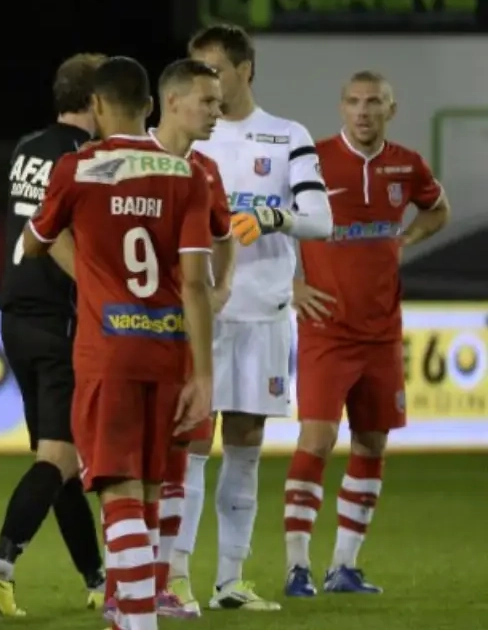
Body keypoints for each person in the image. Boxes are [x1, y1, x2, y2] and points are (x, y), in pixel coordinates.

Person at [21, 55, 216, 630]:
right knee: (152, 488)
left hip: (107, 350)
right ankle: (129, 613)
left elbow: (34, 243)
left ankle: (137, 621)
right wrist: (203, 375)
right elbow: (197, 284)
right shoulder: (188, 175)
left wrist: (89, 262)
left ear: (98, 106)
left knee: (118, 489)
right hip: (169, 350)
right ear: (151, 106)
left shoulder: (78, 168)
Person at [170, 23, 334, 612]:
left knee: (245, 445)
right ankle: (175, 575)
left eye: (215, 70)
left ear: (245, 71)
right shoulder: (188, 138)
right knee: (190, 444)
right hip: (201, 314)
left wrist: (273, 218)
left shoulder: (287, 136)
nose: (207, 83)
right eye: (199, 72)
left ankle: (230, 580)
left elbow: (321, 220)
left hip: (263, 313)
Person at [283, 70, 449, 596]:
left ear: (390, 110)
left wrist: (407, 237)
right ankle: (296, 566)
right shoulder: (313, 160)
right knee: (317, 439)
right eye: (353, 101)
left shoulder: (407, 164)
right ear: (342, 107)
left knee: (372, 442)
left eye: (373, 102)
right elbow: (269, 222)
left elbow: (438, 209)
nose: (362, 110)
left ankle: (344, 566)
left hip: (381, 332)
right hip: (326, 329)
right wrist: (291, 283)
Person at [0, 51, 107, 618]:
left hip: (15, 315)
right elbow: (54, 234)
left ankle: (97, 579)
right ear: (96, 100)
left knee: (60, 462)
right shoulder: (84, 158)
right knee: (59, 457)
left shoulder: (28, 147)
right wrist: (100, 292)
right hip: (58, 317)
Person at [142, 58, 235, 619]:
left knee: (178, 460)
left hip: (185, 339)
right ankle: (126, 582)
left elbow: (225, 235)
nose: (217, 112)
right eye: (208, 101)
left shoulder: (206, 172)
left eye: (219, 102)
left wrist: (222, 287)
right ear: (172, 101)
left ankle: (161, 581)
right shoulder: (127, 162)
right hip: (133, 337)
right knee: (135, 466)